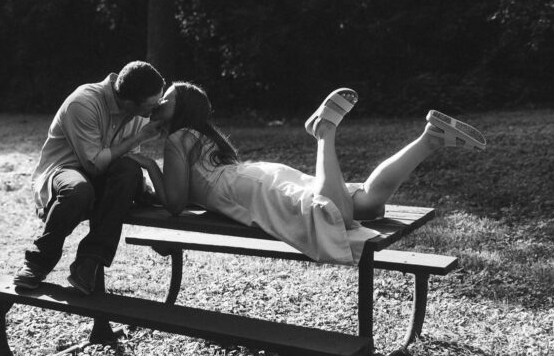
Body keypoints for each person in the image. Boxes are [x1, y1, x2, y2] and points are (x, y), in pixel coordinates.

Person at [132, 83, 487, 266]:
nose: (160, 104)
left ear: (183, 110)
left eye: (167, 99)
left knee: (337, 213)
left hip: (248, 190)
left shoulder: (177, 139)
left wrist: (147, 164)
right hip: (256, 176)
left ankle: (324, 132)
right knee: (369, 204)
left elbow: (176, 204)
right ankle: (431, 138)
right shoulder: (200, 136)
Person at [14, 61, 166, 294]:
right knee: (79, 190)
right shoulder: (83, 103)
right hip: (66, 169)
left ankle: (88, 263)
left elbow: (127, 160)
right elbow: (93, 164)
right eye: (151, 104)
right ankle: (37, 263)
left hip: (102, 174)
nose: (155, 110)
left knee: (129, 171)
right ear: (128, 101)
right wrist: (139, 138)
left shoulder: (138, 112)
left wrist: (143, 189)